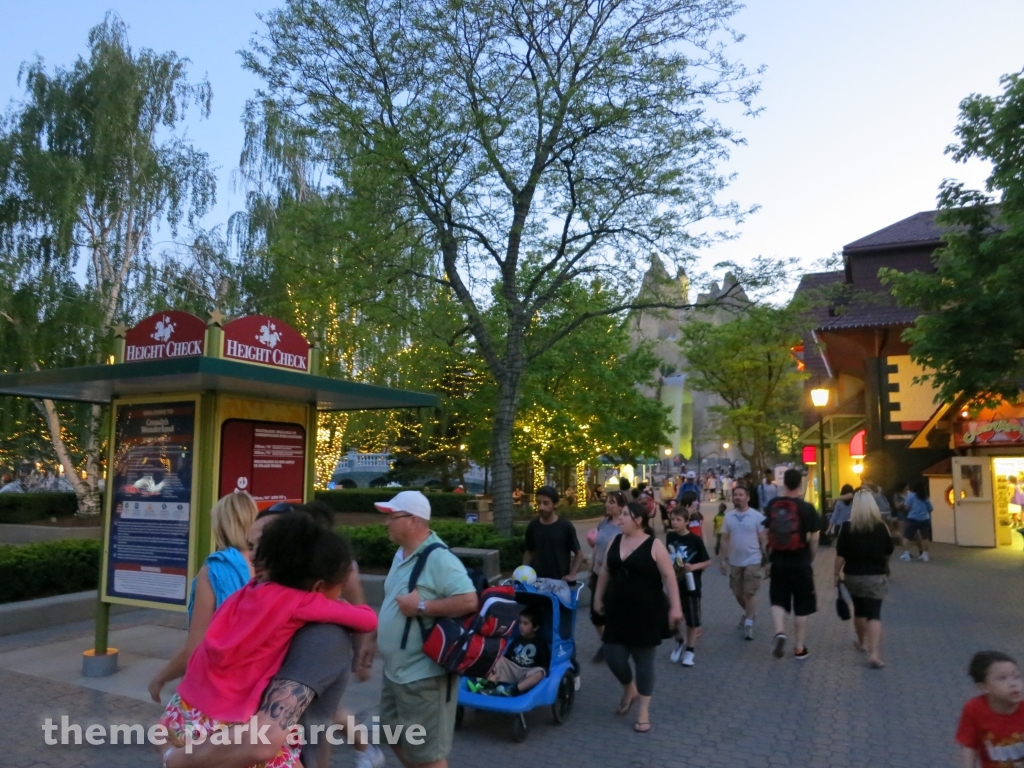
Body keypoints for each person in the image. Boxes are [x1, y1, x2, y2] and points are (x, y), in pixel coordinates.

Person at [157, 513, 378, 768]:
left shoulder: (244, 593)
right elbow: (367, 619)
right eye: (339, 587)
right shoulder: (300, 603)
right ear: (318, 586)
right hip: (226, 726)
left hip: (184, 710)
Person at [372, 490, 479, 768]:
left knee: (428, 755)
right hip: (396, 672)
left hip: (423, 676)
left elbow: (469, 600)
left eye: (393, 517)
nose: (387, 523)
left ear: (414, 521)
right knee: (390, 732)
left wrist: (422, 608)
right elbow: (392, 601)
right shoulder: (402, 554)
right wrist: (374, 638)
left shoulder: (439, 559)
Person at [149, 492, 258, 703]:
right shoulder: (268, 565)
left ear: (221, 525)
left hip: (219, 688)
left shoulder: (214, 571)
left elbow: (195, 648)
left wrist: (160, 678)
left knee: (172, 735)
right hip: (259, 686)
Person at [594, 502, 682, 734]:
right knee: (613, 656)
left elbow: (669, 577)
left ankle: (643, 710)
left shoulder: (654, 545)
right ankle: (628, 688)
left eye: (625, 515)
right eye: (621, 514)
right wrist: (597, 598)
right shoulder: (615, 540)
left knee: (644, 663)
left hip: (647, 613)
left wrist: (675, 608)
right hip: (617, 610)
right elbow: (605, 571)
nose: (620, 518)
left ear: (639, 520)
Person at [763, 468, 821, 660]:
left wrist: (767, 556)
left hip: (778, 560)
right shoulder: (807, 508)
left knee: (778, 599)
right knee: (802, 604)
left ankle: (780, 631)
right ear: (799, 484)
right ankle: (799, 647)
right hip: (801, 561)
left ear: (784, 483)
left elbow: (765, 533)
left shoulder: (773, 504)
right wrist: (811, 557)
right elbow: (814, 538)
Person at [834, 489, 894, 669]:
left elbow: (840, 555)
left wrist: (836, 575)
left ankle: (862, 642)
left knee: (859, 610)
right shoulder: (881, 527)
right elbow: (888, 550)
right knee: (874, 613)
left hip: (853, 576)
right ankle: (874, 654)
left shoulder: (846, 527)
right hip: (876, 576)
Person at [957, 651, 1024, 768]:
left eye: (1016, 676)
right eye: (1003, 678)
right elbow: (969, 745)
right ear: (983, 687)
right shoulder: (974, 709)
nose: (1013, 683)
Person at [666, 501, 711, 667]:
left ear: (686, 522)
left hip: (691, 585)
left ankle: (690, 651)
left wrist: (693, 567)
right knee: (672, 619)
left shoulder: (695, 540)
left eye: (678, 519)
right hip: (673, 584)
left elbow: (707, 561)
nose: (674, 522)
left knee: (692, 620)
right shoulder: (670, 536)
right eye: (672, 519)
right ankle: (679, 641)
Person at [718, 485, 766, 640]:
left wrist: (768, 560)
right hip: (735, 560)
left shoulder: (757, 516)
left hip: (753, 559)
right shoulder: (728, 517)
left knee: (749, 593)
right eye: (735, 495)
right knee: (737, 593)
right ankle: (750, 613)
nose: (737, 497)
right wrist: (723, 561)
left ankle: (749, 623)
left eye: (740, 495)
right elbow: (724, 540)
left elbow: (764, 539)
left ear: (748, 497)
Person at [468, 607, 550, 696]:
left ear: (535, 627)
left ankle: (514, 690)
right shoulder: (517, 640)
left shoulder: (540, 643)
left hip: (527, 672)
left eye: (525, 624)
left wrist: (539, 670)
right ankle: (490, 685)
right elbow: (507, 658)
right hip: (513, 668)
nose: (521, 626)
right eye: (520, 623)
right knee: (497, 659)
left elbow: (544, 665)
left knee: (540, 673)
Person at [590, 491, 626, 663]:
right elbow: (596, 546)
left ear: (620, 506)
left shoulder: (624, 525)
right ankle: (608, 643)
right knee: (595, 615)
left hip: (614, 577)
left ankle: (613, 646)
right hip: (598, 574)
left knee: (612, 614)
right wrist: (591, 567)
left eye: (611, 502)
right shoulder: (603, 523)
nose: (607, 504)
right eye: (607, 501)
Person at [523, 485, 584, 581]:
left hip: (560, 582)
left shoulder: (565, 526)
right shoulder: (533, 526)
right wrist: (522, 572)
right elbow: (530, 552)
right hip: (536, 581)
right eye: (539, 503)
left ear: (555, 504)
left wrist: (572, 575)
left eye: (546, 503)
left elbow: (579, 554)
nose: (541, 507)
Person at [901, 480, 933, 562]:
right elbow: (930, 508)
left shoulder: (911, 496)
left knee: (907, 536)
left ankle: (906, 554)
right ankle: (925, 555)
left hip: (913, 518)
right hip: (925, 519)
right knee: (925, 537)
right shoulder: (925, 497)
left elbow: (906, 507)